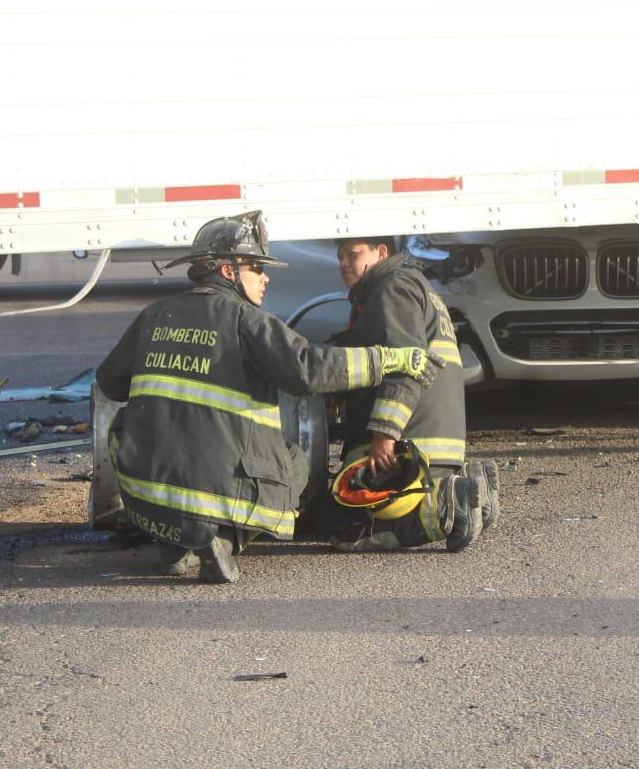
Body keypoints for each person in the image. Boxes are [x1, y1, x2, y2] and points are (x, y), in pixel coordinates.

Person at [95, 212, 442, 583]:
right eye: (257, 268)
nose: (266, 277)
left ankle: (175, 544)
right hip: (218, 488)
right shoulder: (246, 320)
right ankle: (225, 538)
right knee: (295, 462)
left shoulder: (154, 315)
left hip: (145, 491)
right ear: (228, 271)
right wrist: (389, 359)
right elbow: (311, 369)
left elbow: (110, 383)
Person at [325, 236, 499, 553]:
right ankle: (467, 488)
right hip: (434, 442)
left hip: (408, 443)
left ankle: (450, 503)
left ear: (381, 252)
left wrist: (384, 434)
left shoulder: (391, 289)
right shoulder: (409, 284)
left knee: (346, 529)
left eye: (352, 254)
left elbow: (406, 366)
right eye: (340, 257)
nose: (344, 263)